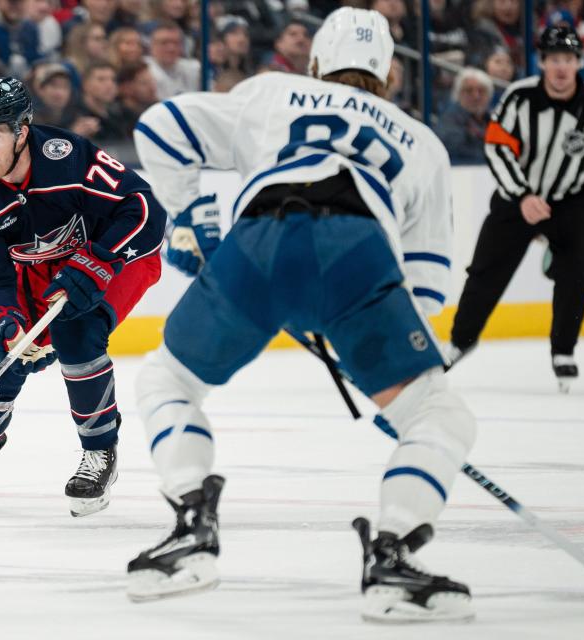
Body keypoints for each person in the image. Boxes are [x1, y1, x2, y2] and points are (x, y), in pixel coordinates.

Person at [128, 7, 477, 623]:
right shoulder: (421, 141)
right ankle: (392, 554)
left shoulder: (273, 91)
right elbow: (425, 283)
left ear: (315, 63)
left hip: (259, 239)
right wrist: (377, 357)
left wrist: (191, 219)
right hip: (359, 253)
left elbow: (159, 127)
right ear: (390, 74)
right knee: (439, 416)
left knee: (166, 381)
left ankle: (190, 527)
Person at [0, 77, 166, 517]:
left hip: (120, 253)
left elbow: (144, 210)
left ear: (22, 131)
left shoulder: (68, 158)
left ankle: (100, 451)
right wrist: (3, 318)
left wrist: (98, 260)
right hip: (42, 265)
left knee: (76, 329)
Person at [445, 25, 584, 393]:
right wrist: (523, 195)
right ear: (541, 63)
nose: (561, 68)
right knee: (485, 272)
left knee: (576, 275)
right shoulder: (518, 97)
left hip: (571, 202)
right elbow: (496, 146)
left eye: (568, 60)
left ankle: (563, 351)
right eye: (554, 59)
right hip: (517, 200)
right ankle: (461, 340)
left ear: (578, 63)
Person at [434, 67, 493, 163]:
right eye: (469, 90)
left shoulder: (494, 120)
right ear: (458, 94)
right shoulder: (449, 119)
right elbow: (454, 147)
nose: (476, 96)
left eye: (481, 91)